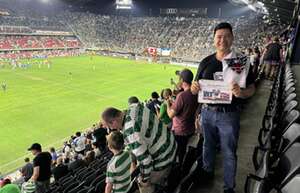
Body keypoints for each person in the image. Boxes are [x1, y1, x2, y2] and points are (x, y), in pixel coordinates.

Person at [191, 22, 255, 193]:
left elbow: (252, 88)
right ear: (214, 39)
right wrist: (193, 88)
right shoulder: (206, 62)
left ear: (232, 38)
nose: (222, 40)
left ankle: (229, 188)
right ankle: (207, 173)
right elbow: (195, 85)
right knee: (207, 146)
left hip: (229, 115)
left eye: (226, 36)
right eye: (219, 36)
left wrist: (241, 93)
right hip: (207, 112)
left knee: (229, 153)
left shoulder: (240, 62)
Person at [101, 104, 177, 193]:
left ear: (114, 122)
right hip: (171, 143)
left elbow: (146, 161)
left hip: (165, 158)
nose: (111, 129)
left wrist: (144, 179)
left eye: (109, 126)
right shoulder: (135, 107)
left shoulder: (131, 133)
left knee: (142, 183)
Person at [167, 69, 198, 170]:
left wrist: (168, 105)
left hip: (180, 131)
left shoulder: (182, 96)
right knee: (184, 152)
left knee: (179, 154)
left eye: (179, 78)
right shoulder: (196, 93)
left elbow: (170, 115)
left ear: (182, 80)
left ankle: (179, 171)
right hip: (191, 128)